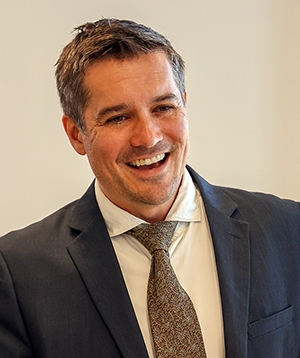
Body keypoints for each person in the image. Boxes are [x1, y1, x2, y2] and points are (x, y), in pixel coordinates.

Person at [0, 18, 299, 358]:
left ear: (184, 105)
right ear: (76, 134)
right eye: (117, 118)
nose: (149, 137)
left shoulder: (288, 230)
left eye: (164, 108)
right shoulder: (15, 272)